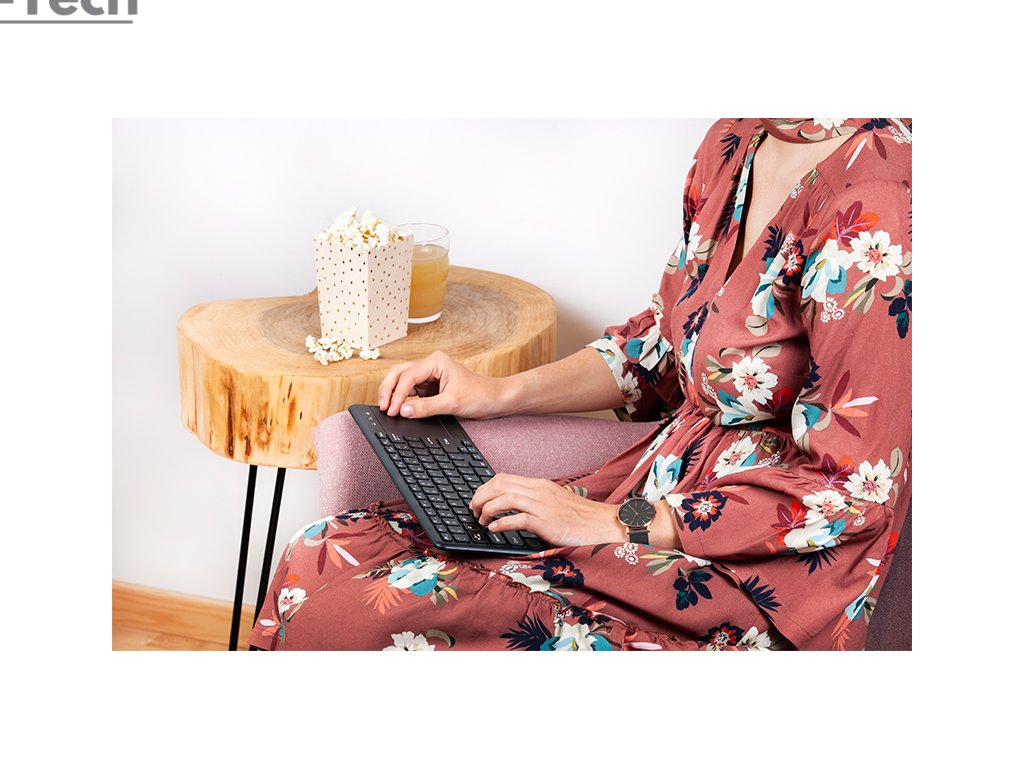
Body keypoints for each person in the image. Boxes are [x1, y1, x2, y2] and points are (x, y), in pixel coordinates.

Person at [250, 118, 912, 651]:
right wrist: (492, 392)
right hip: (646, 495)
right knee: (319, 553)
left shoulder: (880, 200)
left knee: (376, 615)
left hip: (755, 573)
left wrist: (613, 521)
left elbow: (854, 490)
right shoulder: (734, 142)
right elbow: (666, 344)